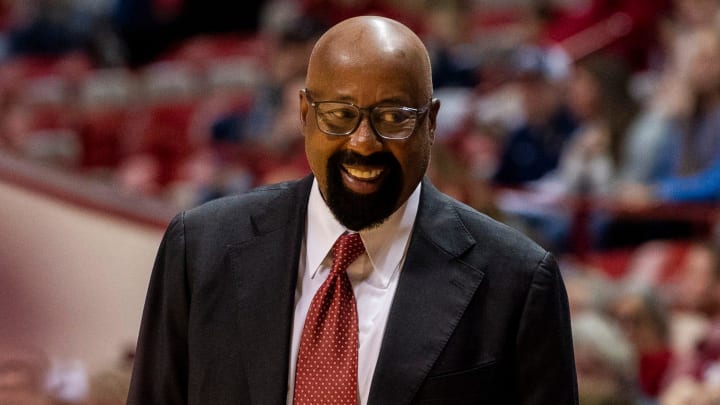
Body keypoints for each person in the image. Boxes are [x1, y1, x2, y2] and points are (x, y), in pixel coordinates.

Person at [127, 16, 578, 404]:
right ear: (305, 114)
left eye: (393, 117)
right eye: (340, 115)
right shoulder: (199, 248)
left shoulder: (517, 281)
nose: (363, 142)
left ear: (432, 122)